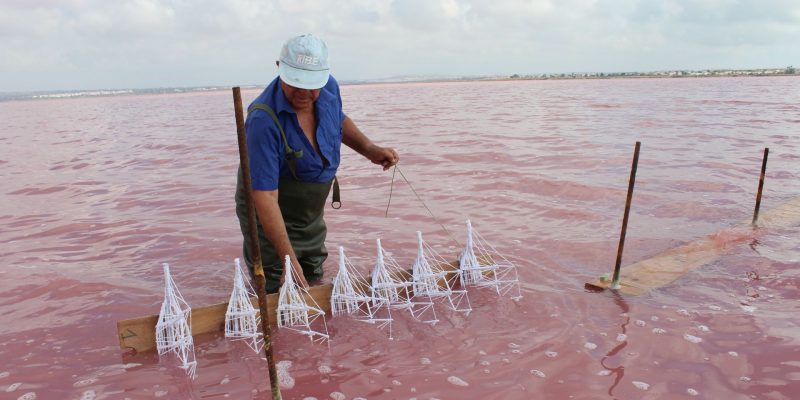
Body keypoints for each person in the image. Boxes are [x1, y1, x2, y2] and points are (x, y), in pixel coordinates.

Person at [235, 34, 398, 293]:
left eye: (312, 85)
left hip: (309, 212)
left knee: (313, 272)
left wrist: (369, 149)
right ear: (280, 69)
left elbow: (337, 119)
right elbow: (265, 196)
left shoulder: (329, 87)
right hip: (267, 208)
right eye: (295, 83)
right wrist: (288, 260)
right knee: (278, 280)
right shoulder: (262, 121)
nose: (304, 93)